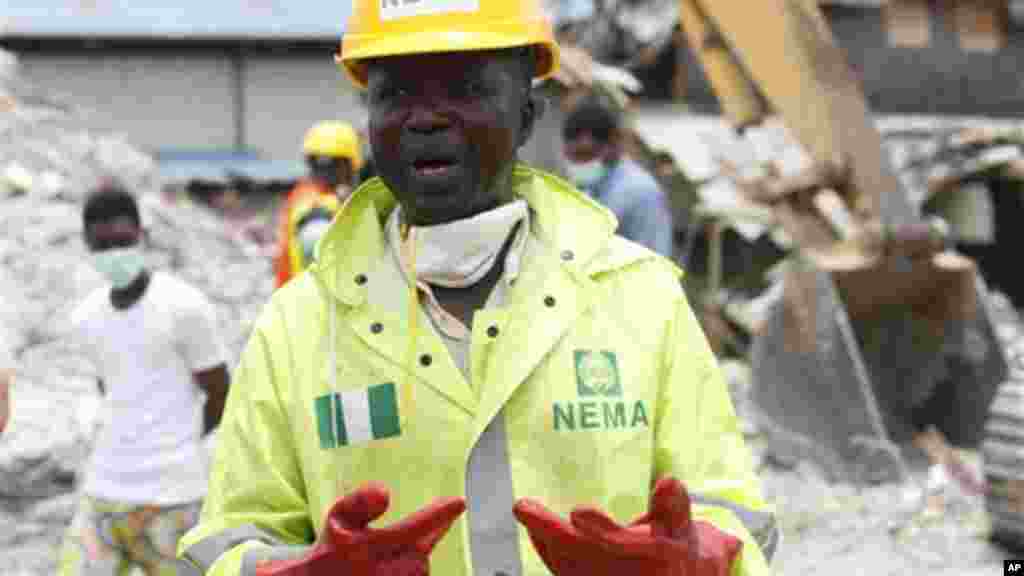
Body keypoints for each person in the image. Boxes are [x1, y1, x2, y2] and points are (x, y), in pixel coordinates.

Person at [178, 0, 777, 574]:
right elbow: (233, 537)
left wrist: (698, 558)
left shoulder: (640, 298)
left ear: (526, 115)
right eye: (396, 94)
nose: (426, 118)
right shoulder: (299, 325)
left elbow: (732, 512)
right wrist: (284, 572)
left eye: (465, 88)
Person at [59, 184, 231, 575]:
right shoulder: (86, 318)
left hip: (174, 499)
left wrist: (179, 438)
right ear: (87, 244)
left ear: (142, 235)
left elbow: (220, 391)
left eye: (122, 242)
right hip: (103, 494)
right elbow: (110, 389)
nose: (114, 254)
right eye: (103, 245)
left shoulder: (184, 307)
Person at [563, 96, 675, 258]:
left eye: (586, 154)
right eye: (573, 157)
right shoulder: (589, 188)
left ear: (613, 145)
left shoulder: (641, 193)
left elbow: (654, 258)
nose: (580, 164)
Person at [274, 121, 364, 288]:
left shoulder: (302, 194)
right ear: (347, 165)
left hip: (292, 295)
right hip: (311, 300)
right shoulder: (319, 207)